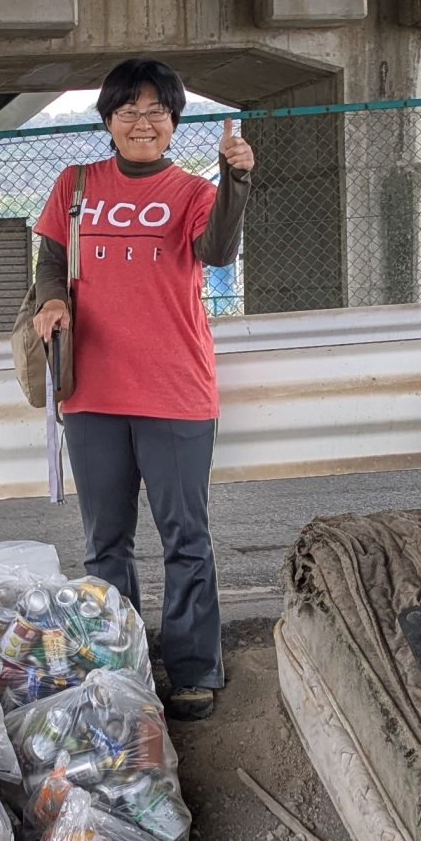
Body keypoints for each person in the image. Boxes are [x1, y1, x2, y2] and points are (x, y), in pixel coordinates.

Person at [30, 58, 253, 721]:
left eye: (156, 112)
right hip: (91, 391)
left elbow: (216, 252)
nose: (142, 123)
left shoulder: (192, 192)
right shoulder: (74, 185)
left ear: (175, 123)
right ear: (108, 121)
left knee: (185, 535)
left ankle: (193, 667)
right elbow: (49, 261)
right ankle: (116, 661)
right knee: (106, 541)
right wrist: (51, 303)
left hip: (175, 390)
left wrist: (236, 178)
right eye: (128, 111)